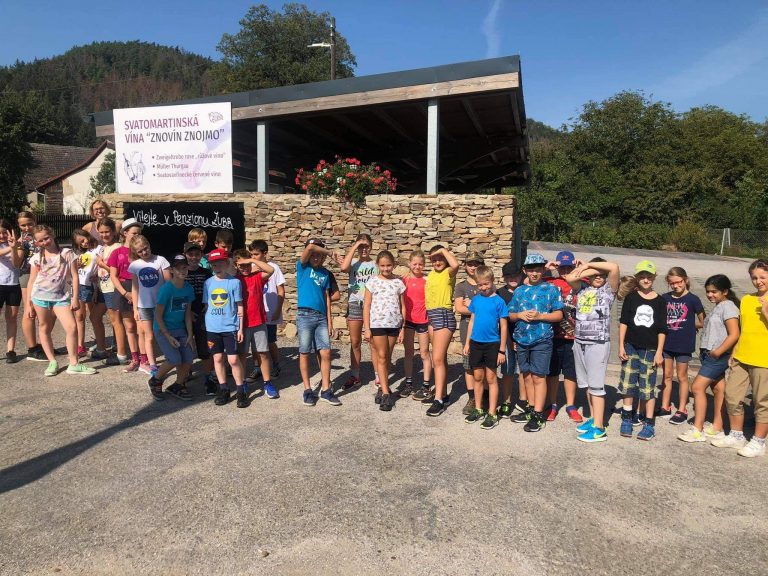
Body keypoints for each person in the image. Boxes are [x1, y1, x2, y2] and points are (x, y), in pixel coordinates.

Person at [712, 259, 768, 457]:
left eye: (762, 277)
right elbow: (743, 330)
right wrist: (734, 352)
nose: (758, 281)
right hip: (742, 356)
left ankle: (759, 441)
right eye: (754, 278)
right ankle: (736, 435)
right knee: (732, 396)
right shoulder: (746, 300)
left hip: (764, 360)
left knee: (762, 402)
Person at [25, 225, 96, 376]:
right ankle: (52, 362)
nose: (45, 242)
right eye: (40, 241)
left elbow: (75, 276)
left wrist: (75, 298)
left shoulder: (67, 253)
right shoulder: (36, 258)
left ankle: (74, 363)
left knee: (72, 327)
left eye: (46, 238)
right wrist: (28, 304)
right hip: (40, 298)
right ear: (36, 242)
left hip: (61, 298)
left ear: (52, 235)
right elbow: (32, 281)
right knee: (44, 328)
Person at [563, 257, 621, 443]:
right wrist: (590, 270)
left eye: (601, 274)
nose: (598, 277)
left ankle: (599, 429)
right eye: (595, 275)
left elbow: (614, 267)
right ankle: (594, 418)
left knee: (596, 387)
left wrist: (588, 266)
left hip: (597, 343)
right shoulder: (582, 288)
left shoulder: (608, 290)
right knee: (587, 385)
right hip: (580, 341)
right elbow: (570, 278)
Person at [678, 275, 740, 444]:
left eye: (714, 292)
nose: (710, 295)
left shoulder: (728, 307)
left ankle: (697, 430)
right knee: (718, 389)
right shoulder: (720, 305)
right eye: (708, 292)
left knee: (697, 387)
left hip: (717, 355)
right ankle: (717, 426)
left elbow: (734, 334)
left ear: (725, 291)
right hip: (710, 354)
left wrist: (718, 351)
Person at [508, 253, 564, 432]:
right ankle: (531, 409)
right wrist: (519, 315)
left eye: (538, 270)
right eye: (531, 270)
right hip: (522, 339)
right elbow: (510, 314)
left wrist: (540, 316)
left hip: (542, 339)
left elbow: (559, 315)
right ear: (525, 271)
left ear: (543, 270)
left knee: (539, 376)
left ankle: (538, 414)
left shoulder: (551, 289)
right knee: (526, 375)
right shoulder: (519, 291)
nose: (534, 273)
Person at [617, 260, 668, 441]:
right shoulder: (631, 298)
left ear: (654, 277)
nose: (646, 280)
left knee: (647, 387)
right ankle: (627, 418)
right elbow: (624, 322)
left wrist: (659, 352)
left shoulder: (660, 301)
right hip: (631, 346)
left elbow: (662, 329)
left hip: (650, 349)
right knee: (628, 384)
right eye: (642, 276)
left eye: (649, 277)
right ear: (637, 278)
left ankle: (649, 423)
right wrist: (621, 345)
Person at [296, 239, 342, 407]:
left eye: (319, 255)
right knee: (304, 352)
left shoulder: (324, 274)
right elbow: (309, 247)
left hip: (321, 317)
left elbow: (327, 299)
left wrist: (330, 322)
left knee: (326, 353)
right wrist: (329, 252)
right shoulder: (302, 267)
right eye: (313, 255)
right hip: (305, 315)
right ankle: (307, 390)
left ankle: (326, 389)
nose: (316, 257)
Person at [462, 266, 509, 430]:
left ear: (492, 281)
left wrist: (501, 350)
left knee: (491, 378)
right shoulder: (476, 300)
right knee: (477, 377)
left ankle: (492, 413)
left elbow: (504, 327)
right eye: (480, 285)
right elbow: (472, 321)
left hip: (492, 344)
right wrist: (467, 343)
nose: (483, 287)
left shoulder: (499, 302)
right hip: (476, 343)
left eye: (486, 284)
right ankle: (478, 408)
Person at [660, 267, 705, 424]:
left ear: (685, 280)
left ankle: (682, 408)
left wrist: (690, 326)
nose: (676, 285)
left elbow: (702, 320)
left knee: (682, 376)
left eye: (678, 282)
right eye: (672, 283)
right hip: (667, 343)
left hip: (684, 344)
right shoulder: (665, 298)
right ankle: (665, 406)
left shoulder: (693, 299)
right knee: (666, 375)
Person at [203, 248, 248, 408]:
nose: (217, 267)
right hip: (212, 328)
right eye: (214, 264)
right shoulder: (208, 283)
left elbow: (239, 306)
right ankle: (223, 389)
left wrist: (240, 329)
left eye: (220, 263)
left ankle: (241, 390)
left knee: (233, 359)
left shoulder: (234, 282)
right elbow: (207, 305)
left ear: (227, 263)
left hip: (230, 327)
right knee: (217, 358)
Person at [147, 254, 195, 401]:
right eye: (179, 268)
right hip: (164, 328)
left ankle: (178, 385)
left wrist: (190, 334)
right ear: (172, 270)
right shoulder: (166, 289)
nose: (182, 271)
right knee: (174, 359)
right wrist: (167, 335)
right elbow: (158, 315)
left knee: (188, 358)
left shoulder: (188, 288)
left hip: (180, 328)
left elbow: (187, 314)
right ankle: (155, 380)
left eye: (185, 267)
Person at [364, 250, 406, 412]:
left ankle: (382, 387)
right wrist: (367, 328)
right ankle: (387, 394)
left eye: (389, 265)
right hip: (377, 324)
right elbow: (367, 305)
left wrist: (402, 327)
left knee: (387, 357)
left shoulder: (398, 283)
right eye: (382, 266)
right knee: (381, 356)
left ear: (393, 265)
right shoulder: (372, 282)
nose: (386, 268)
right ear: (378, 265)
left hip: (394, 324)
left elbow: (403, 306)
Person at [233, 249, 276, 398]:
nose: (245, 268)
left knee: (263, 353)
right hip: (242, 324)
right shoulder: (234, 280)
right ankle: (242, 382)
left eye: (247, 265)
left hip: (258, 322)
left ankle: (267, 382)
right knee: (242, 355)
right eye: (241, 265)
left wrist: (251, 260)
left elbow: (271, 270)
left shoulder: (257, 276)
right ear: (236, 265)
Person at [544, 250, 581, 423]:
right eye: (562, 268)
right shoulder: (550, 282)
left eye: (569, 267)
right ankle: (552, 404)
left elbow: (596, 279)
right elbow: (528, 281)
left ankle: (571, 405)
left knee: (570, 372)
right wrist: (547, 268)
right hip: (553, 335)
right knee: (552, 373)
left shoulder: (581, 282)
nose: (566, 271)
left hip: (574, 336)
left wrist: (581, 268)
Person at [424, 245, 460, 417]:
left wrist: (443, 251)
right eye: (434, 259)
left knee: (437, 359)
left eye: (440, 259)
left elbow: (456, 264)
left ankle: (438, 400)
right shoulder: (431, 274)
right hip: (432, 315)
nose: (437, 262)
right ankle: (443, 394)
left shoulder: (448, 272)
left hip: (443, 315)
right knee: (439, 358)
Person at [338, 234, 378, 389]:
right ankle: (355, 375)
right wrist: (355, 246)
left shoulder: (375, 264)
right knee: (355, 342)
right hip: (355, 304)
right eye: (361, 246)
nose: (364, 249)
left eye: (366, 246)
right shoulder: (353, 263)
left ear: (371, 247)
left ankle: (378, 375)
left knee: (373, 341)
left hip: (372, 305)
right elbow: (343, 268)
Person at [127, 235, 171, 376]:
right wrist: (135, 309)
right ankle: (152, 364)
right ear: (136, 252)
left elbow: (168, 283)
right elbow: (135, 288)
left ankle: (171, 359)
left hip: (161, 305)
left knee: (165, 332)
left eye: (145, 248)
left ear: (149, 245)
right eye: (140, 251)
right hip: (144, 306)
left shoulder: (161, 260)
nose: (144, 252)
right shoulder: (135, 265)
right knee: (149, 335)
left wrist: (169, 302)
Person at [108, 218, 144, 372]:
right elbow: (113, 275)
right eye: (134, 233)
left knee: (141, 326)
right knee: (129, 326)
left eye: (139, 233)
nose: (137, 236)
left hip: (141, 288)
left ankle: (145, 358)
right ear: (125, 233)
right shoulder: (117, 252)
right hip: (124, 288)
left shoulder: (142, 251)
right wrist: (125, 293)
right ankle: (135, 358)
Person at [249, 239, 285, 379]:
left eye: (256, 254)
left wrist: (278, 310)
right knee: (255, 342)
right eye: (251, 254)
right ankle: (257, 367)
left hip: (269, 312)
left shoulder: (274, 268)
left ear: (265, 253)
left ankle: (276, 365)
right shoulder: (250, 268)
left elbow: (281, 291)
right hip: (255, 312)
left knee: (270, 341)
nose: (253, 257)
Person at [454, 251, 484, 416]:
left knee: (484, 366)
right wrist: (480, 309)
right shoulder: (461, 287)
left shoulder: (486, 284)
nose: (473, 267)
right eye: (470, 264)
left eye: (476, 264)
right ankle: (472, 397)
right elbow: (459, 308)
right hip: (467, 331)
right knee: (468, 367)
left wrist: (472, 305)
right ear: (465, 266)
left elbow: (491, 306)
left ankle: (485, 395)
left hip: (486, 331)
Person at [95, 218, 129, 366]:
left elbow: (118, 271)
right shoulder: (102, 247)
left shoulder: (117, 247)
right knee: (94, 316)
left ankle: (121, 354)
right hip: (102, 287)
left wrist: (102, 264)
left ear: (114, 232)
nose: (104, 235)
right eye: (101, 232)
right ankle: (102, 349)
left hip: (112, 288)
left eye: (107, 231)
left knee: (116, 320)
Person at [183, 241, 215, 393]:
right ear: (185, 255)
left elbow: (212, 291)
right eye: (190, 254)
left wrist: (208, 306)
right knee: (186, 347)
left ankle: (208, 378)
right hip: (185, 315)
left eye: (197, 254)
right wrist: (187, 311)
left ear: (201, 255)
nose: (194, 257)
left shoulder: (207, 273)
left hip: (203, 314)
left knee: (204, 348)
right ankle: (184, 376)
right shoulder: (181, 273)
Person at [71, 229, 108, 359]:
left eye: (84, 239)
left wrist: (97, 276)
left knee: (94, 316)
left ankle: (99, 342)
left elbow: (102, 265)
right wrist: (76, 266)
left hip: (90, 286)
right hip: (78, 285)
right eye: (80, 242)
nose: (84, 243)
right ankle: (80, 345)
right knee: (79, 316)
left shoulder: (99, 249)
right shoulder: (78, 252)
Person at [402, 250, 433, 400]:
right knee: (408, 352)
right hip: (408, 321)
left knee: (424, 353)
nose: (417, 266)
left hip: (423, 321)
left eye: (420, 264)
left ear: (424, 265)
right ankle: (409, 383)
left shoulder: (427, 280)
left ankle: (426, 385)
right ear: (409, 264)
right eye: (414, 264)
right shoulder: (404, 280)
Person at [496, 261, 524, 418]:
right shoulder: (499, 294)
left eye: (516, 275)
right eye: (509, 276)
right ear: (504, 277)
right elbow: (501, 322)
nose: (513, 278)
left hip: (525, 338)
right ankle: (506, 401)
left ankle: (524, 400)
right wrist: (508, 342)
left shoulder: (526, 291)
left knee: (524, 372)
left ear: (521, 275)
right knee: (508, 372)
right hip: (506, 338)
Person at [16, 211, 45, 361]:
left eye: (29, 224)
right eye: (23, 225)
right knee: (30, 311)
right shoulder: (22, 241)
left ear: (35, 221)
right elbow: (17, 262)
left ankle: (42, 344)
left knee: (44, 311)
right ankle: (32, 348)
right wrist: (16, 247)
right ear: (19, 226)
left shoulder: (42, 234)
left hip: (45, 276)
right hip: (27, 276)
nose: (27, 227)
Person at [0, 219, 23, 363]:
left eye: (4, 232)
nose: (2, 236)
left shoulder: (18, 245)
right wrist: (11, 247)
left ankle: (10, 350)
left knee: (12, 318)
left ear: (10, 232)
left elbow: (16, 264)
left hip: (13, 285)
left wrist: (14, 247)